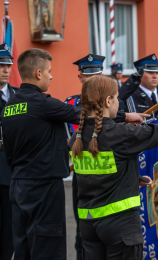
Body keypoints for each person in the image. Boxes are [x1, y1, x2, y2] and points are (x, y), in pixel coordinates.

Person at [68, 75, 158, 260]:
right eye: (116, 98)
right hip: (120, 226)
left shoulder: (77, 138)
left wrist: (133, 179)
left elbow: (99, 171)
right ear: (107, 101)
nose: (118, 104)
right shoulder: (119, 134)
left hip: (89, 227)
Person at [66, 54, 149, 260]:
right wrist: (125, 116)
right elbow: (89, 116)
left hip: (109, 182)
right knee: (82, 239)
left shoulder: (109, 107)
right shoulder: (73, 104)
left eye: (98, 75)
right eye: (89, 76)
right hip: (87, 179)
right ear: (80, 78)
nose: (94, 80)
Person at [1, 48, 81, 260]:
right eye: (49, 71)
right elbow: (84, 116)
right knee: (48, 248)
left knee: (23, 249)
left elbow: (7, 152)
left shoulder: (9, 106)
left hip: (18, 185)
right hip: (44, 187)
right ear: (38, 73)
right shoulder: (43, 103)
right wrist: (126, 115)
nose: (51, 75)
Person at [0, 43, 18, 260]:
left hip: (13, 170)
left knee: (10, 230)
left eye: (8, 65)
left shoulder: (18, 95)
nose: (5, 69)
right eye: (1, 65)